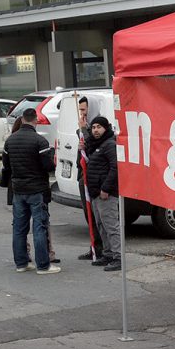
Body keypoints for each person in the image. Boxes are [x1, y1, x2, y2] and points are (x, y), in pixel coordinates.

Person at [2, 108, 59, 274]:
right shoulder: (39, 141)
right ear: (35, 120)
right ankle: (43, 265)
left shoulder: (10, 141)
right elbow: (48, 166)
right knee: (39, 227)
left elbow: (6, 165)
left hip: (18, 190)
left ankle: (22, 263)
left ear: (22, 120)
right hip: (37, 189)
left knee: (19, 228)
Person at [84, 116, 121, 272]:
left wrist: (106, 188)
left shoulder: (109, 145)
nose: (95, 130)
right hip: (95, 194)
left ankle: (118, 257)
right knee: (101, 225)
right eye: (93, 127)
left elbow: (115, 168)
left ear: (106, 128)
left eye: (99, 127)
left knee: (111, 226)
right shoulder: (95, 145)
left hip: (106, 194)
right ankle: (107, 254)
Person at [74, 96, 105, 263]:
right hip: (83, 177)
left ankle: (103, 250)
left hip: (95, 179)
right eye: (80, 110)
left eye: (84, 110)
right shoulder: (84, 127)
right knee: (89, 216)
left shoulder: (98, 127)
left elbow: (92, 148)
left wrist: (85, 131)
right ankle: (94, 247)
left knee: (98, 217)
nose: (82, 114)